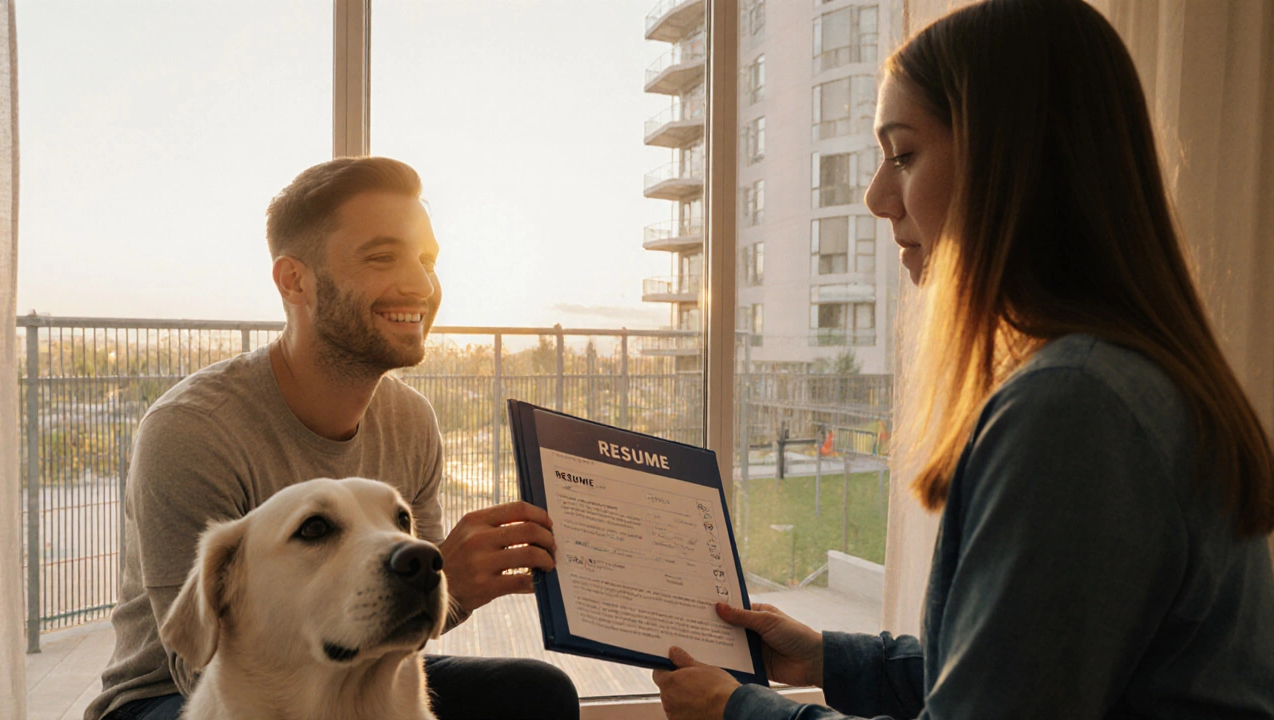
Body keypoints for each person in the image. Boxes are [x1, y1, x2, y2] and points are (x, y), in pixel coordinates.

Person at [652, 0, 1274, 718]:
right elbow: (1017, 668)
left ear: (1014, 162)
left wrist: (739, 711)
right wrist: (827, 658)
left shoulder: (1075, 407)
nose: (877, 197)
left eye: (904, 154)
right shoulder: (1120, 383)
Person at [85, 157, 580, 720]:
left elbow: (407, 615)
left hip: (346, 663)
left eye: (427, 261)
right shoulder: (193, 430)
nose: (421, 285)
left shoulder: (412, 422)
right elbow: (199, 660)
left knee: (537, 694)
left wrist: (452, 579)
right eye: (382, 257)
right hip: (177, 693)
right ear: (294, 280)